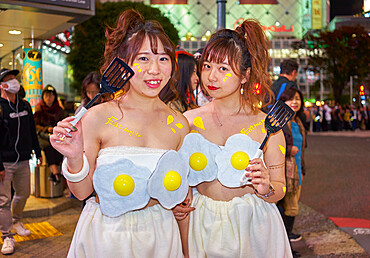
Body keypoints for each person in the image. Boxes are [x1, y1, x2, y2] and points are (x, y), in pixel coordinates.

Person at [50, 9, 190, 257]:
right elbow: (81, 192)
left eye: (163, 59)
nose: (154, 70)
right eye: (143, 58)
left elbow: (179, 195)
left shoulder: (180, 124)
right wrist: (73, 156)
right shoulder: (98, 116)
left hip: (160, 236)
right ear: (124, 63)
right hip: (106, 236)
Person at [180, 19, 292, 257]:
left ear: (244, 75)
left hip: (253, 227)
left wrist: (266, 187)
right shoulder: (187, 121)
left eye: (223, 69)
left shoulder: (268, 126)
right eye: (207, 65)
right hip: (202, 225)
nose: (211, 77)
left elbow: (280, 189)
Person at [0, 68, 42, 255]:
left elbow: (32, 131)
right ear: (2, 85)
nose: (14, 82)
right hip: (5, 162)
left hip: (24, 159)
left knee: (24, 193)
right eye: (9, 79)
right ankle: (6, 236)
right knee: (3, 200)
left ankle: (16, 220)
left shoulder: (24, 106)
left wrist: (38, 152)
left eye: (14, 78)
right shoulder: (0, 107)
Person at [278, 88, 306, 255]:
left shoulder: (298, 122)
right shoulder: (281, 121)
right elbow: (272, 146)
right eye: (291, 99)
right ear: (283, 102)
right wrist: (288, 150)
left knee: (292, 209)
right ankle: (286, 247)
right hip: (286, 173)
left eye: (298, 99)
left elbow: (302, 150)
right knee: (287, 210)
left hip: (297, 173)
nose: (295, 102)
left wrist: (302, 169)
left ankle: (287, 243)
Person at [34, 85, 67, 184]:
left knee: (59, 147)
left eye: (51, 95)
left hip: (57, 137)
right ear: (43, 97)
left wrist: (56, 129)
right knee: (49, 147)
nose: (49, 98)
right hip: (44, 137)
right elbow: (35, 125)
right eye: (46, 95)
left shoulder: (60, 110)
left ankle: (58, 174)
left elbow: (65, 123)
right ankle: (55, 172)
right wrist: (46, 129)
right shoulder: (39, 110)